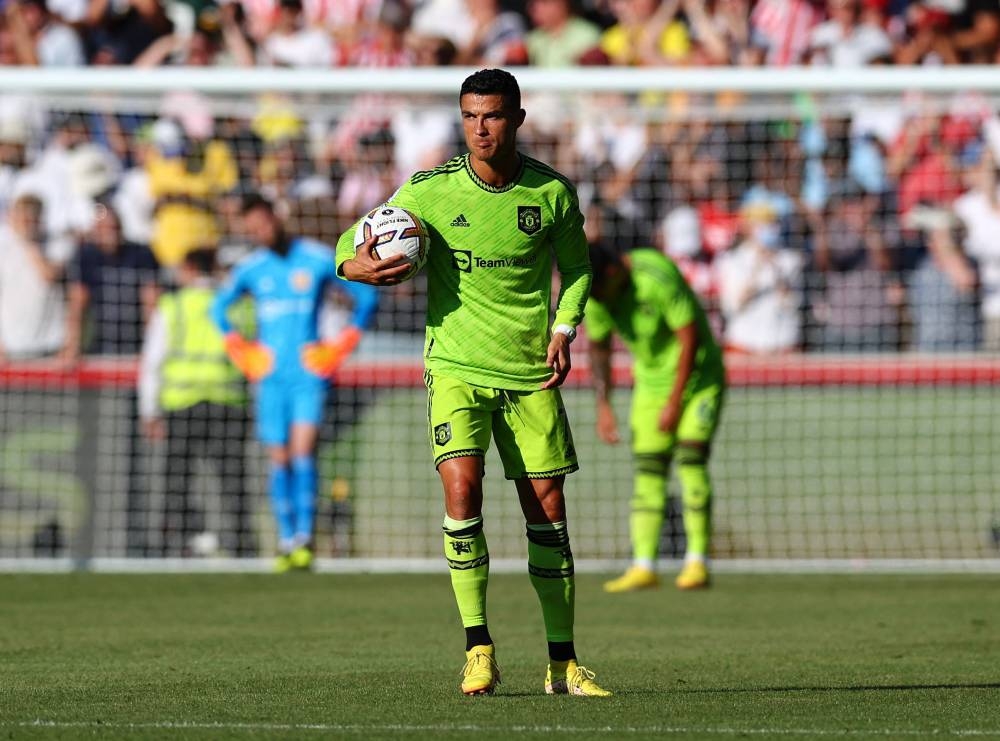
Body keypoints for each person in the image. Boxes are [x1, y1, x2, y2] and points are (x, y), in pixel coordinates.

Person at [336, 68, 610, 698]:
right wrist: (357, 265)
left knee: (548, 514)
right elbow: (353, 240)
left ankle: (563, 664)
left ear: (516, 118)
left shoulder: (552, 195)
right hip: (455, 367)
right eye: (469, 116)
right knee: (462, 490)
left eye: (491, 116)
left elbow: (577, 271)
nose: (480, 128)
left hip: (529, 373)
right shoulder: (430, 189)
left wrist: (564, 329)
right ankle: (478, 648)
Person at [212, 194, 378, 572]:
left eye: (262, 224)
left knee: (303, 453)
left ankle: (304, 538)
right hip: (270, 378)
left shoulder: (316, 258)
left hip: (307, 375)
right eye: (251, 230)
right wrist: (242, 350)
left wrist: (339, 347)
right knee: (279, 458)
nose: (259, 233)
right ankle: (286, 540)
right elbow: (217, 309)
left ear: (276, 216)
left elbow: (365, 296)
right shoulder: (252, 268)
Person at [586, 245, 726, 592]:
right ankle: (643, 565)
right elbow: (599, 348)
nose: (597, 300)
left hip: (697, 379)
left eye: (599, 291)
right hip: (649, 385)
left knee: (691, 460)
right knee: (649, 472)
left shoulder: (657, 276)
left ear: (614, 274)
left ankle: (697, 562)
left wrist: (675, 401)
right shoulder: (596, 296)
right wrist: (603, 405)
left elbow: (689, 337)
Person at [138, 248, 256, 557]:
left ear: (189, 268)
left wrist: (149, 410)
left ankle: (173, 544)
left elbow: (153, 360)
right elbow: (255, 357)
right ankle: (243, 545)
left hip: (182, 404)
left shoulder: (173, 306)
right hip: (227, 401)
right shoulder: (238, 307)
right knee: (234, 481)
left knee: (176, 481)